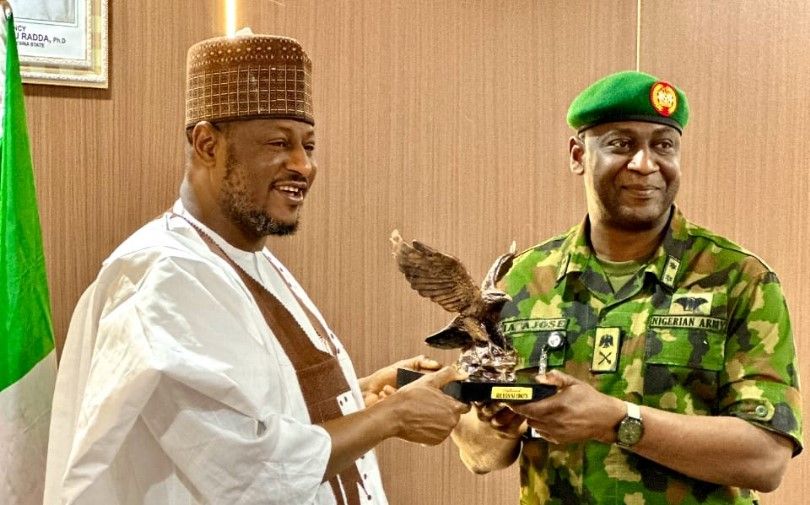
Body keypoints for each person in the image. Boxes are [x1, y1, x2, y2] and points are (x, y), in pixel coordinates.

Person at [43, 32, 469, 505]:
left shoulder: (249, 258)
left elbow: (259, 403)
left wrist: (359, 391)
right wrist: (393, 418)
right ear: (207, 143)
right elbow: (245, 467)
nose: (302, 166)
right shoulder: (164, 275)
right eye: (277, 142)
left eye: (309, 145)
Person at [451, 71, 803, 504]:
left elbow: (766, 460)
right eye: (621, 144)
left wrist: (618, 421)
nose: (645, 164)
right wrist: (498, 424)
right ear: (578, 154)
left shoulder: (739, 280)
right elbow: (479, 455)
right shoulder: (522, 280)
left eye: (663, 145)